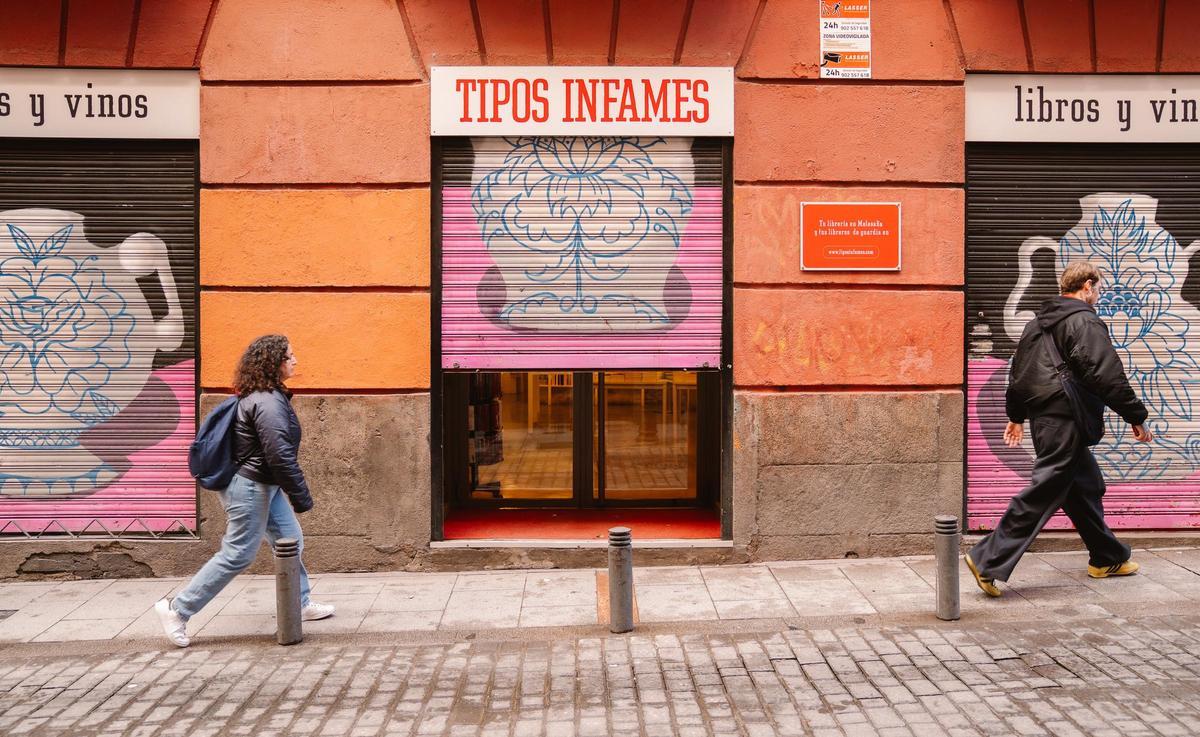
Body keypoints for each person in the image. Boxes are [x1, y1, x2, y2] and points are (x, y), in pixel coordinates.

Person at [965, 261, 1154, 597]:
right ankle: (987, 559)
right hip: (1066, 419)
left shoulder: (1036, 323)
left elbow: (1019, 374)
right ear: (1087, 285)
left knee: (1085, 487)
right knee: (1045, 490)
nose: (1098, 294)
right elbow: (1106, 374)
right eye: (1098, 288)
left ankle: (1107, 557)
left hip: (1049, 420)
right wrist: (1135, 415)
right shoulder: (1084, 321)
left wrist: (1016, 415)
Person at [156, 335, 334, 647]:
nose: (296, 361)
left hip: (264, 483)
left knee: (290, 539)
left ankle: (299, 603)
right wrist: (301, 495)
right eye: (290, 356)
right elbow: (279, 454)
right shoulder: (266, 401)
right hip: (250, 487)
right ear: (274, 362)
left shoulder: (264, 396)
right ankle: (178, 610)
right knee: (238, 553)